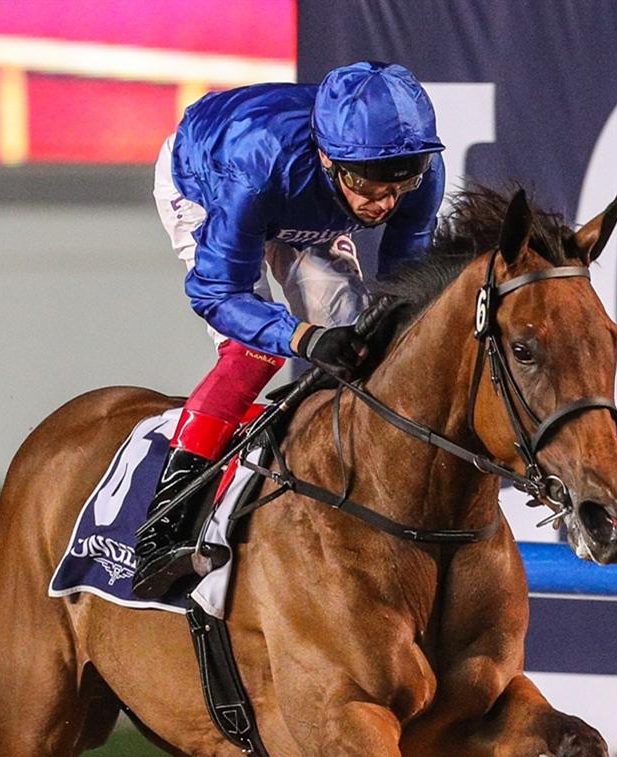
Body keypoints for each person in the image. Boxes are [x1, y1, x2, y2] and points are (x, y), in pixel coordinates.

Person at [133, 60, 447, 600]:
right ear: (328, 157)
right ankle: (167, 522)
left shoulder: (417, 173)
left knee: (366, 345)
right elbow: (218, 294)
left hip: (302, 201)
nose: (384, 201)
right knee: (253, 354)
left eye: (402, 179)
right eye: (364, 181)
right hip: (210, 186)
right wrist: (302, 339)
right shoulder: (255, 165)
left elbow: (406, 289)